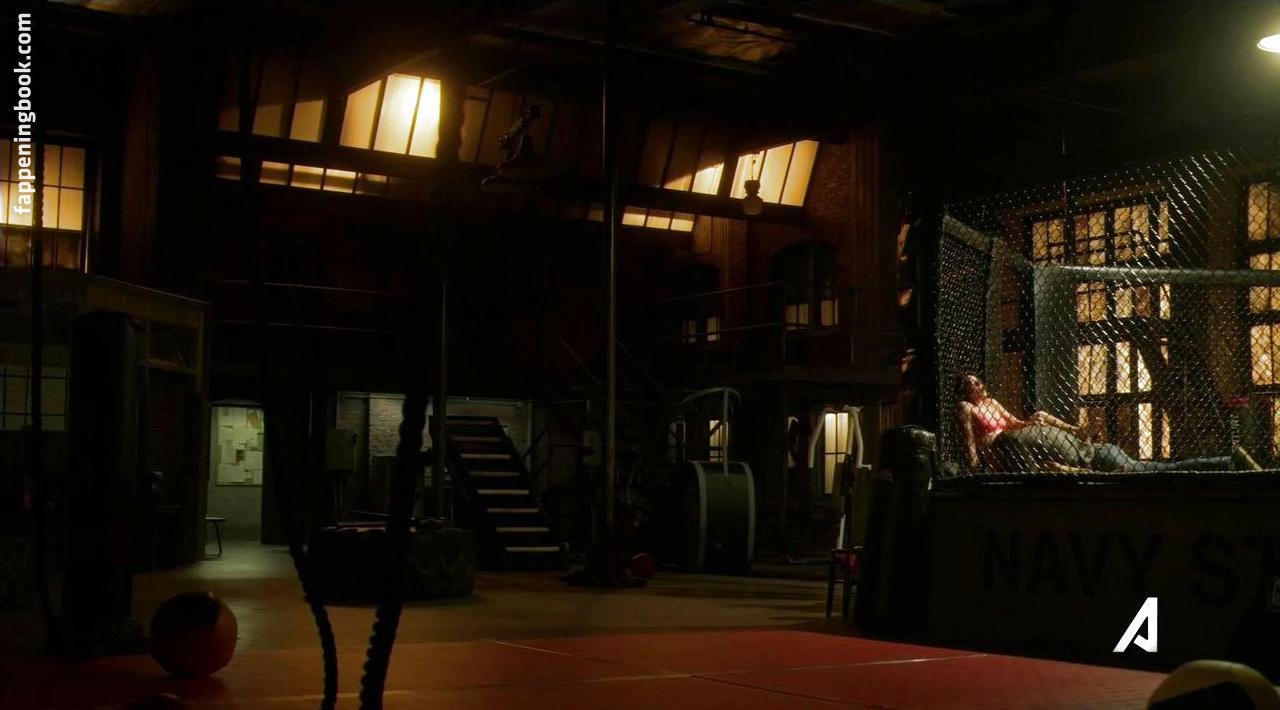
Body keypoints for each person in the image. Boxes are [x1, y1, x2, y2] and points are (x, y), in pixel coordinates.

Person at [955, 374, 1260, 473]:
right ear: (965, 390)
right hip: (1091, 452)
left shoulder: (992, 404)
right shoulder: (967, 407)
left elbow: (1015, 422)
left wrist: (1036, 422)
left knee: (1159, 469)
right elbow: (971, 440)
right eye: (972, 384)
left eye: (979, 382)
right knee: (1158, 469)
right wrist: (975, 462)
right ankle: (1226, 462)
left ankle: (1225, 462)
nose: (978, 386)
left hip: (1090, 454)